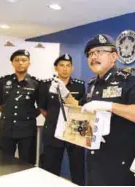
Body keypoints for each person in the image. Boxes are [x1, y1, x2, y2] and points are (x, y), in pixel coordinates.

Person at [50, 34, 135, 185]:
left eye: (99, 52)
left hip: (119, 160)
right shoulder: (93, 84)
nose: (93, 57)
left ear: (114, 56)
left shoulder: (129, 81)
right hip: (94, 156)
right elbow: (81, 108)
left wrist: (108, 106)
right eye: (90, 54)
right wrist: (65, 93)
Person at [38, 54, 85, 185]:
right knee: (50, 167)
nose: (65, 68)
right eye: (61, 65)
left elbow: (80, 106)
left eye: (68, 65)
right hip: (52, 131)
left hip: (75, 131)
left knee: (78, 167)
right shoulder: (46, 85)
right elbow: (42, 108)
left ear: (72, 68)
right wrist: (56, 120)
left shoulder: (79, 86)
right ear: (56, 68)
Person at [0, 49, 40, 164]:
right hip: (6, 129)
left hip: (27, 130)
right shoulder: (3, 82)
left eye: (24, 60)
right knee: (3, 162)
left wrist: (27, 115)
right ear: (12, 63)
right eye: (17, 60)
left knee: (27, 163)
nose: (20, 63)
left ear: (29, 63)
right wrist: (8, 112)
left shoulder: (36, 83)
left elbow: (41, 106)